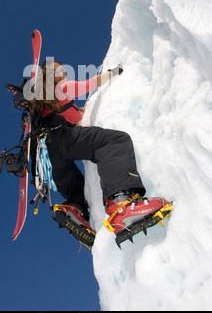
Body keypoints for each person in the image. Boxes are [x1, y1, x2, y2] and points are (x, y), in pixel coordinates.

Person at [29, 59, 173, 247]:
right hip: (61, 139)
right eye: (60, 70)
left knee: (79, 190)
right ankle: (121, 205)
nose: (64, 73)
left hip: (48, 156)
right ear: (51, 76)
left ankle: (73, 209)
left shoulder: (43, 104)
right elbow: (91, 83)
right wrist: (113, 73)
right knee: (115, 141)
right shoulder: (62, 87)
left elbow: (69, 116)